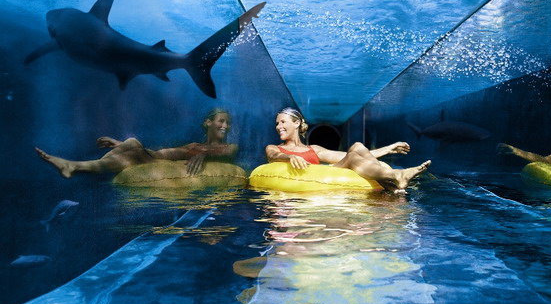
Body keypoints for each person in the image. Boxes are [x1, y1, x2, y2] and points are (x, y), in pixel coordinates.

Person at [265, 107, 431, 194]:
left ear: (297, 123)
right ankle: (394, 178)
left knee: (357, 146)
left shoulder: (313, 149)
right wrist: (289, 157)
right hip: (306, 181)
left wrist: (388, 149)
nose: (278, 127)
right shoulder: (274, 147)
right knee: (353, 157)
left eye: (283, 122)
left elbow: (353, 155)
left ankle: (393, 182)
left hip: (326, 175)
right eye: (277, 123)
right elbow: (274, 155)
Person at [36, 109, 238, 178]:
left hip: (157, 163)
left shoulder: (230, 147)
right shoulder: (193, 144)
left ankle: (75, 166)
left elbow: (227, 154)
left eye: (228, 123)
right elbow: (166, 153)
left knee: (134, 150)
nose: (225, 126)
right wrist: (120, 144)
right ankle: (83, 167)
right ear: (208, 122)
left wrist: (204, 154)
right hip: (155, 157)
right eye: (221, 121)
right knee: (132, 143)